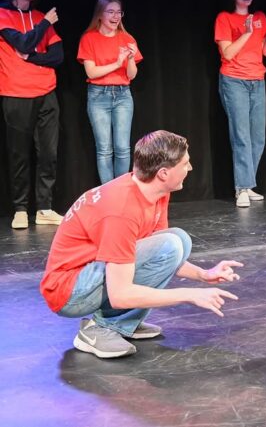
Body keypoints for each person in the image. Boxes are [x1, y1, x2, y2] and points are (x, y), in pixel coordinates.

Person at [40, 130, 243, 358]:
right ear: (164, 173)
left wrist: (203, 275)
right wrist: (189, 294)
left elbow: (160, 257)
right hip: (69, 292)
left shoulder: (155, 191)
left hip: (93, 274)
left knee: (178, 241)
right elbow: (120, 294)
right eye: (186, 163)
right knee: (171, 243)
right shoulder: (122, 210)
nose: (191, 168)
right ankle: (101, 328)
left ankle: (121, 323)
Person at [215, 0, 266, 207]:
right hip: (234, 80)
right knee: (241, 136)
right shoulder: (224, 18)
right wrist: (246, 33)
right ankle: (241, 189)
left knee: (257, 137)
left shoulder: (260, 18)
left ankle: (247, 185)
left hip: (257, 80)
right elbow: (227, 53)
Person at [0, 0, 64, 229]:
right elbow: (23, 42)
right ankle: (20, 209)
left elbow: (58, 56)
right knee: (19, 155)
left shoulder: (39, 16)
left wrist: (33, 57)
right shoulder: (3, 14)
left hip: (47, 93)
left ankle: (45, 208)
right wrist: (44, 24)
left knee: (48, 153)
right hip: (16, 93)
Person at [77, 0, 143, 184]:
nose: (116, 16)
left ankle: (120, 190)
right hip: (99, 96)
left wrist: (129, 59)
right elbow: (91, 71)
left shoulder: (127, 38)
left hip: (122, 95)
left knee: (122, 148)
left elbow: (131, 75)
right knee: (105, 149)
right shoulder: (89, 38)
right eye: (111, 12)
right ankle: (108, 194)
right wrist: (117, 63)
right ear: (100, 14)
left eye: (119, 12)